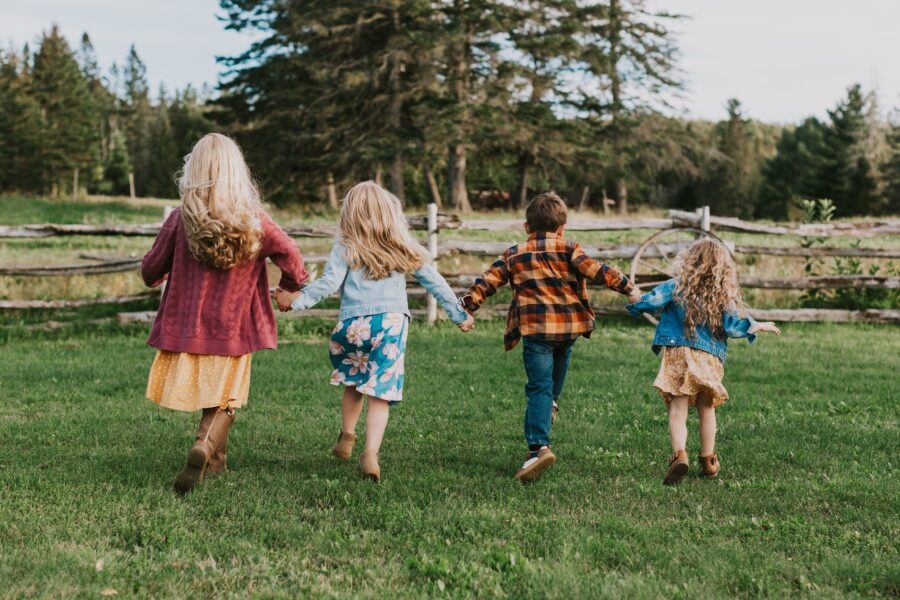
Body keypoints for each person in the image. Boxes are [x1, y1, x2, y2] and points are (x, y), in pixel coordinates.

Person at [141, 133, 307, 494]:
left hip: (190, 325)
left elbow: (151, 270)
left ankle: (214, 462)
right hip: (235, 325)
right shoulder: (255, 220)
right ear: (237, 172)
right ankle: (204, 444)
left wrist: (167, 270)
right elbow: (291, 253)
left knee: (214, 394)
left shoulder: (179, 219)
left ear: (193, 171)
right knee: (227, 397)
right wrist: (291, 285)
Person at [274, 181, 474, 482]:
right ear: (391, 213)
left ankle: (347, 435)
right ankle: (370, 454)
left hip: (354, 326)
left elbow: (328, 284)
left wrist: (295, 300)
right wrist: (458, 314)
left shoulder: (345, 246)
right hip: (391, 324)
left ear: (349, 214)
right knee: (380, 392)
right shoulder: (403, 246)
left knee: (353, 381)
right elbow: (435, 282)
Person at [461, 192, 640, 483]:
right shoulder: (570, 249)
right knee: (555, 375)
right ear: (562, 228)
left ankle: (537, 449)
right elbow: (598, 271)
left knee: (539, 388)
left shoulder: (514, 253)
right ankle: (551, 406)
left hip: (536, 332)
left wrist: (467, 307)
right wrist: (628, 288)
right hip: (568, 330)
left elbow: (487, 282)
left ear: (525, 227)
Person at [626, 237, 781, 485]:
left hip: (678, 353)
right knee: (706, 408)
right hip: (709, 358)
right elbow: (732, 327)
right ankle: (708, 460)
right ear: (723, 269)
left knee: (678, 409)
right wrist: (756, 325)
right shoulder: (723, 296)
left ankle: (680, 454)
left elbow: (650, 302)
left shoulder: (675, 286)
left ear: (690, 261)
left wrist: (633, 297)